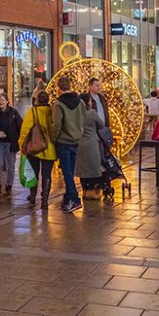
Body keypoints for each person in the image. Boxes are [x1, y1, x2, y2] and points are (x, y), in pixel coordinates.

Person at [51, 76, 86, 213]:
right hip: (77, 140)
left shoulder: (58, 104)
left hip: (63, 142)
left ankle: (75, 200)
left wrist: (54, 139)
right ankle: (67, 199)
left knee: (67, 173)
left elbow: (56, 125)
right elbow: (84, 118)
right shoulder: (80, 102)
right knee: (70, 171)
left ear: (58, 88)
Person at [19, 90, 57, 210]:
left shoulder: (33, 111)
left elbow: (25, 129)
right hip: (50, 148)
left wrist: (21, 144)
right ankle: (44, 201)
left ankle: (33, 196)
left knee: (34, 173)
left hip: (34, 148)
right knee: (47, 176)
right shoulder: (52, 111)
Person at [0, 93, 22, 198]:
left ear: (7, 101)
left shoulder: (13, 113)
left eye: (3, 100)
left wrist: (17, 139)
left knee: (11, 166)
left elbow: (20, 126)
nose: (1, 102)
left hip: (10, 143)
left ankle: (9, 186)